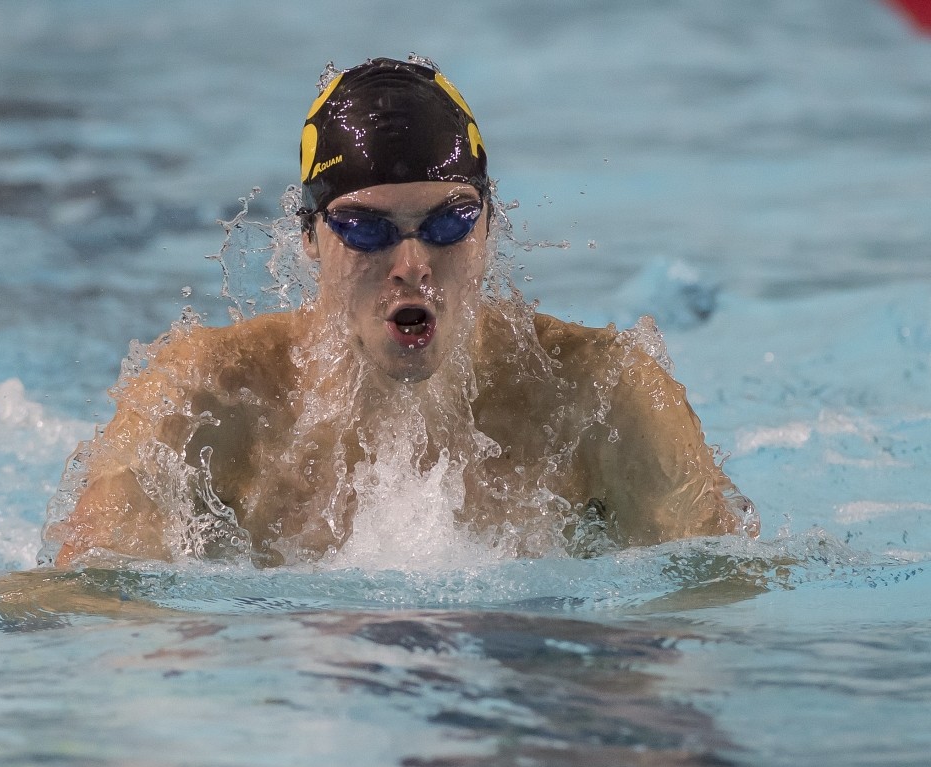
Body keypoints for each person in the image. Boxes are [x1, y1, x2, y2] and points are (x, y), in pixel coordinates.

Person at [42, 56, 758, 569]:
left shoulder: (601, 397)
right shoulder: (204, 398)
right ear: (309, 241)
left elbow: (721, 597)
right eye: (366, 228)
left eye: (448, 223)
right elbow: (92, 611)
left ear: (489, 231)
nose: (412, 263)